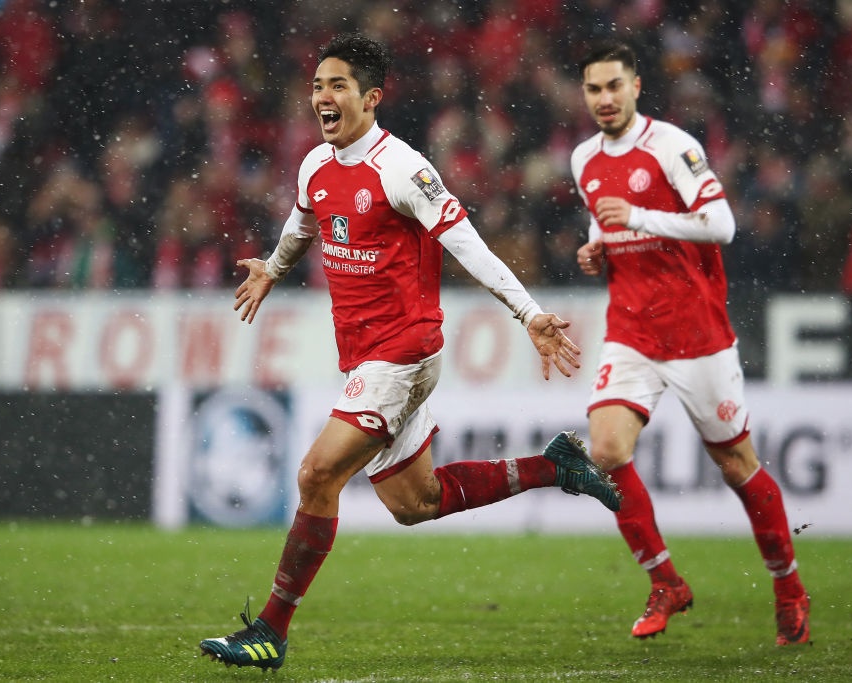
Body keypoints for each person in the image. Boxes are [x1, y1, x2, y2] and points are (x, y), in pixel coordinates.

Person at [199, 33, 622, 672]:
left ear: (371, 97)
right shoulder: (315, 166)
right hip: (364, 357)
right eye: (317, 86)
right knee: (414, 504)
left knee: (316, 475)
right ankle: (554, 466)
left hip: (403, 353)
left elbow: (468, 243)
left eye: (338, 86)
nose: (323, 97)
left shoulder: (402, 169)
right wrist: (273, 269)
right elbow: (303, 223)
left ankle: (270, 631)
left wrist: (529, 313)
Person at [569, 40, 809, 646]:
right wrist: (597, 248)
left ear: (636, 86)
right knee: (606, 451)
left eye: (614, 86)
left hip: (696, 332)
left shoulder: (673, 146)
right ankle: (666, 582)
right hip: (630, 329)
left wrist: (639, 218)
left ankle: (789, 588)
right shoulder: (583, 158)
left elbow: (722, 225)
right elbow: (605, 219)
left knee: (737, 466)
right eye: (594, 88)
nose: (604, 98)